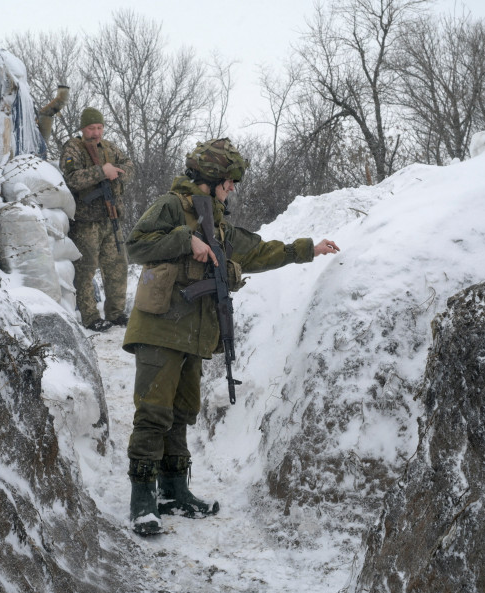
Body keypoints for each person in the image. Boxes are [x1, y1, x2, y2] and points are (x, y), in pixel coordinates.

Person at [122, 138, 340, 536]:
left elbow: (257, 252)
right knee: (153, 414)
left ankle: (173, 491)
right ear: (212, 178)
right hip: (159, 329)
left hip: (192, 332)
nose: (234, 188)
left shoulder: (217, 222)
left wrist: (308, 248)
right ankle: (142, 500)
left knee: (181, 414)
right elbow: (135, 245)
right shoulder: (172, 206)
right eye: (230, 180)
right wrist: (185, 241)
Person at [60, 107, 134, 332]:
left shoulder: (110, 148)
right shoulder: (73, 148)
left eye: (100, 127)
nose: (96, 132)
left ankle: (116, 313)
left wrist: (117, 173)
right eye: (92, 128)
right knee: (86, 269)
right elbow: (71, 179)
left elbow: (129, 166)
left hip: (110, 218)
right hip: (85, 222)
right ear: (83, 128)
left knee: (117, 265)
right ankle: (90, 316)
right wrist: (101, 172)